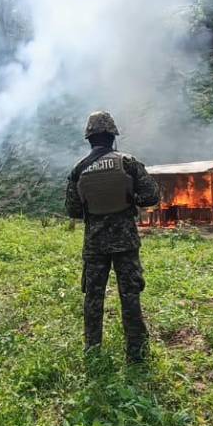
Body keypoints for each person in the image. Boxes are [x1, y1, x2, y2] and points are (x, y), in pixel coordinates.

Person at [65, 111, 160, 363]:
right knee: (129, 295)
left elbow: (73, 210)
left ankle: (93, 350)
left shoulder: (78, 170)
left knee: (93, 297)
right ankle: (136, 353)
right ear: (112, 136)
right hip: (125, 242)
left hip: (94, 244)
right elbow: (151, 196)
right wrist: (132, 200)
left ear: (89, 139)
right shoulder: (127, 162)